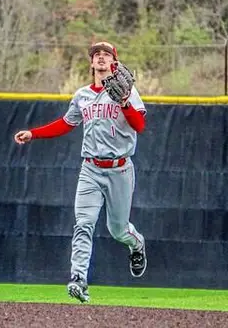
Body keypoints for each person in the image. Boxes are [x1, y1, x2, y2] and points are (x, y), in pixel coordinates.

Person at [13, 41, 148, 303]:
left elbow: (140, 126)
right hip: (91, 169)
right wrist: (33, 133)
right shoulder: (83, 95)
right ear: (91, 63)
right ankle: (78, 279)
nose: (101, 57)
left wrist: (124, 103)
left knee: (118, 230)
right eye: (96, 54)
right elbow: (66, 124)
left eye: (106, 54)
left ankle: (137, 244)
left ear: (114, 63)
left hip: (120, 169)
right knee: (84, 224)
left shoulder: (129, 92)